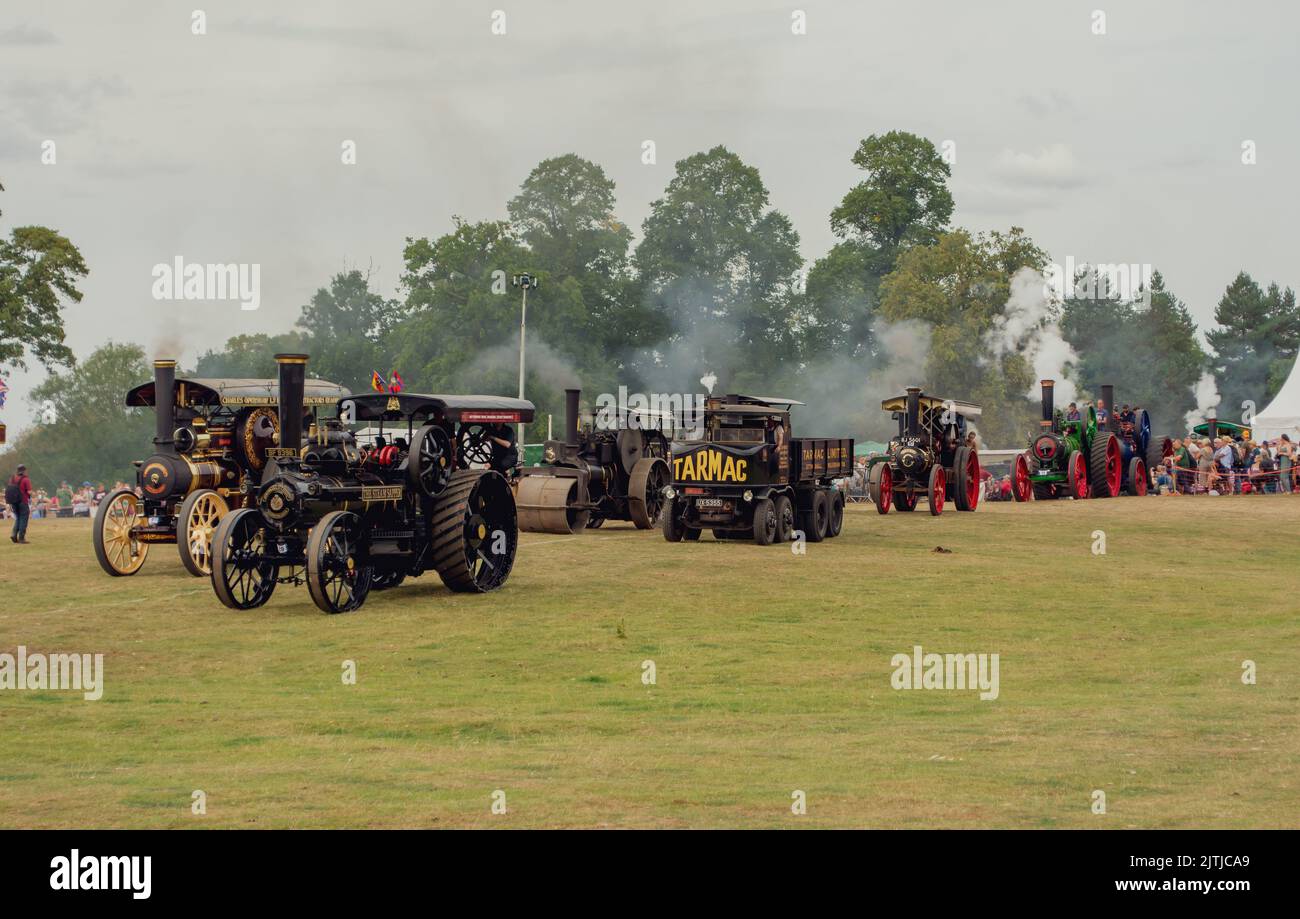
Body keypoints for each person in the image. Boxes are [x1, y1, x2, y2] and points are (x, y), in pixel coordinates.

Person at [5, 463, 33, 543]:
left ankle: (13, 535)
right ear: (24, 471)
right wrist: (34, 494)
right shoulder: (26, 479)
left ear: (17, 470)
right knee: (23, 519)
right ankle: (21, 538)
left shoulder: (12, 478)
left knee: (18, 518)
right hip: (23, 502)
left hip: (13, 502)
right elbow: (29, 491)